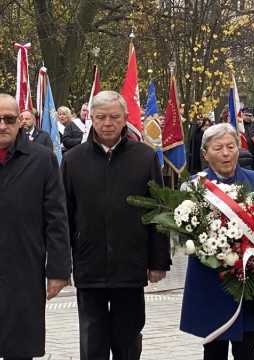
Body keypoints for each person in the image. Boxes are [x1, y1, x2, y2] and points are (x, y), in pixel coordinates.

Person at [62, 91, 171, 360]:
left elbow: (158, 209)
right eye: (101, 117)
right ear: (91, 119)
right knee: (92, 340)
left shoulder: (145, 157)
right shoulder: (73, 160)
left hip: (131, 265)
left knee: (128, 338)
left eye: (114, 117)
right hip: (89, 265)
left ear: (124, 119)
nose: (107, 123)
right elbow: (64, 214)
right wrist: (62, 265)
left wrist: (158, 261)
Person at [180, 123, 254, 360]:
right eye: (218, 148)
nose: (226, 153)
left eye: (231, 146)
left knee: (247, 348)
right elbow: (184, 232)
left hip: (248, 277)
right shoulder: (194, 185)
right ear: (205, 153)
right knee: (214, 348)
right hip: (212, 278)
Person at [0, 93, 71, 360]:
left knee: (20, 347)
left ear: (20, 122)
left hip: (24, 269)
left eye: (9, 119)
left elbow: (56, 218)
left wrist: (58, 271)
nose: (2, 125)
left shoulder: (42, 160)